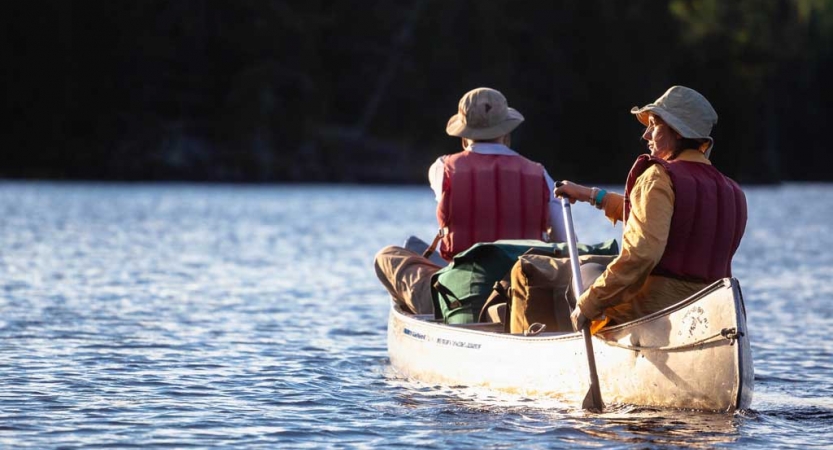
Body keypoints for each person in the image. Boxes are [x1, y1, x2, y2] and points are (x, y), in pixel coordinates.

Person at [555, 85, 747, 330]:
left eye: (654, 124)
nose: (646, 135)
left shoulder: (657, 176)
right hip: (711, 314)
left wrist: (589, 303)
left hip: (654, 312)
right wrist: (592, 195)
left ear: (677, 132)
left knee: (585, 272)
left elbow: (642, 254)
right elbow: (666, 221)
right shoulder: (732, 190)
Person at [375, 87, 567, 315]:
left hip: (460, 295)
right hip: (523, 291)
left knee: (386, 256)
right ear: (506, 133)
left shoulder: (441, 169)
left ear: (464, 136)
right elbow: (565, 243)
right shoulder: (540, 176)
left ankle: (430, 313)